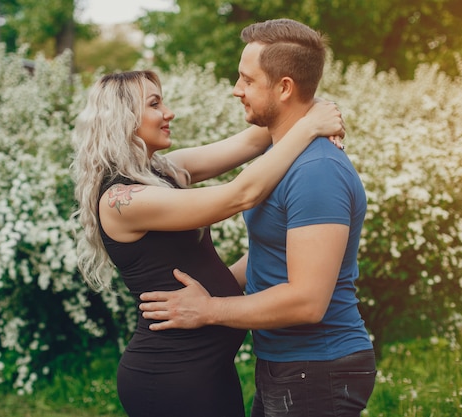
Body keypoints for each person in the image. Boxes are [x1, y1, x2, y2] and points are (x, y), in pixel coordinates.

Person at [70, 69, 344, 417]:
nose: (168, 113)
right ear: (122, 119)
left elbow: (252, 142)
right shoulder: (122, 201)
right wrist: (310, 125)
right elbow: (241, 195)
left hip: (206, 370)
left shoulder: (166, 172)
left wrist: (310, 104)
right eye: (155, 104)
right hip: (169, 377)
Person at [139, 18, 377, 417]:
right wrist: (209, 287)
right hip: (288, 364)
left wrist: (208, 309)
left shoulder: (317, 171)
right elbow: (277, 253)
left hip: (318, 368)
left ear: (284, 88)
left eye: (247, 80)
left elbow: (306, 302)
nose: (237, 90)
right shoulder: (280, 156)